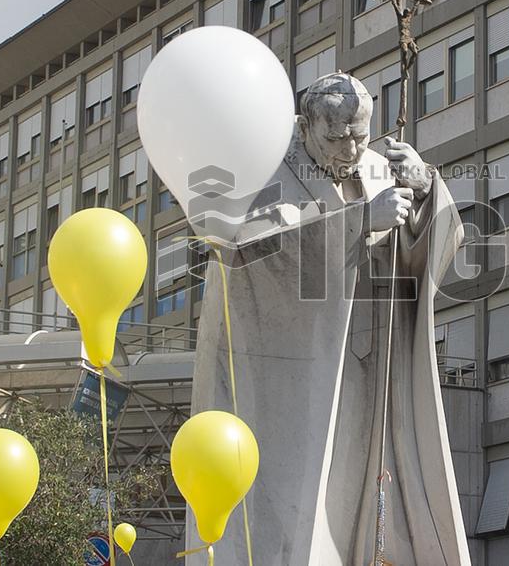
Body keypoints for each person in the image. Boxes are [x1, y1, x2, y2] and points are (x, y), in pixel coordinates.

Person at [187, 72, 471, 565]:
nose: (350, 148)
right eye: (335, 137)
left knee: (369, 502)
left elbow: (440, 251)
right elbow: (254, 259)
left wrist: (425, 191)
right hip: (294, 377)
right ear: (303, 128)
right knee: (302, 504)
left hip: (370, 367)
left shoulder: (385, 169)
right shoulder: (266, 175)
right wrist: (360, 222)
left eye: (359, 134)